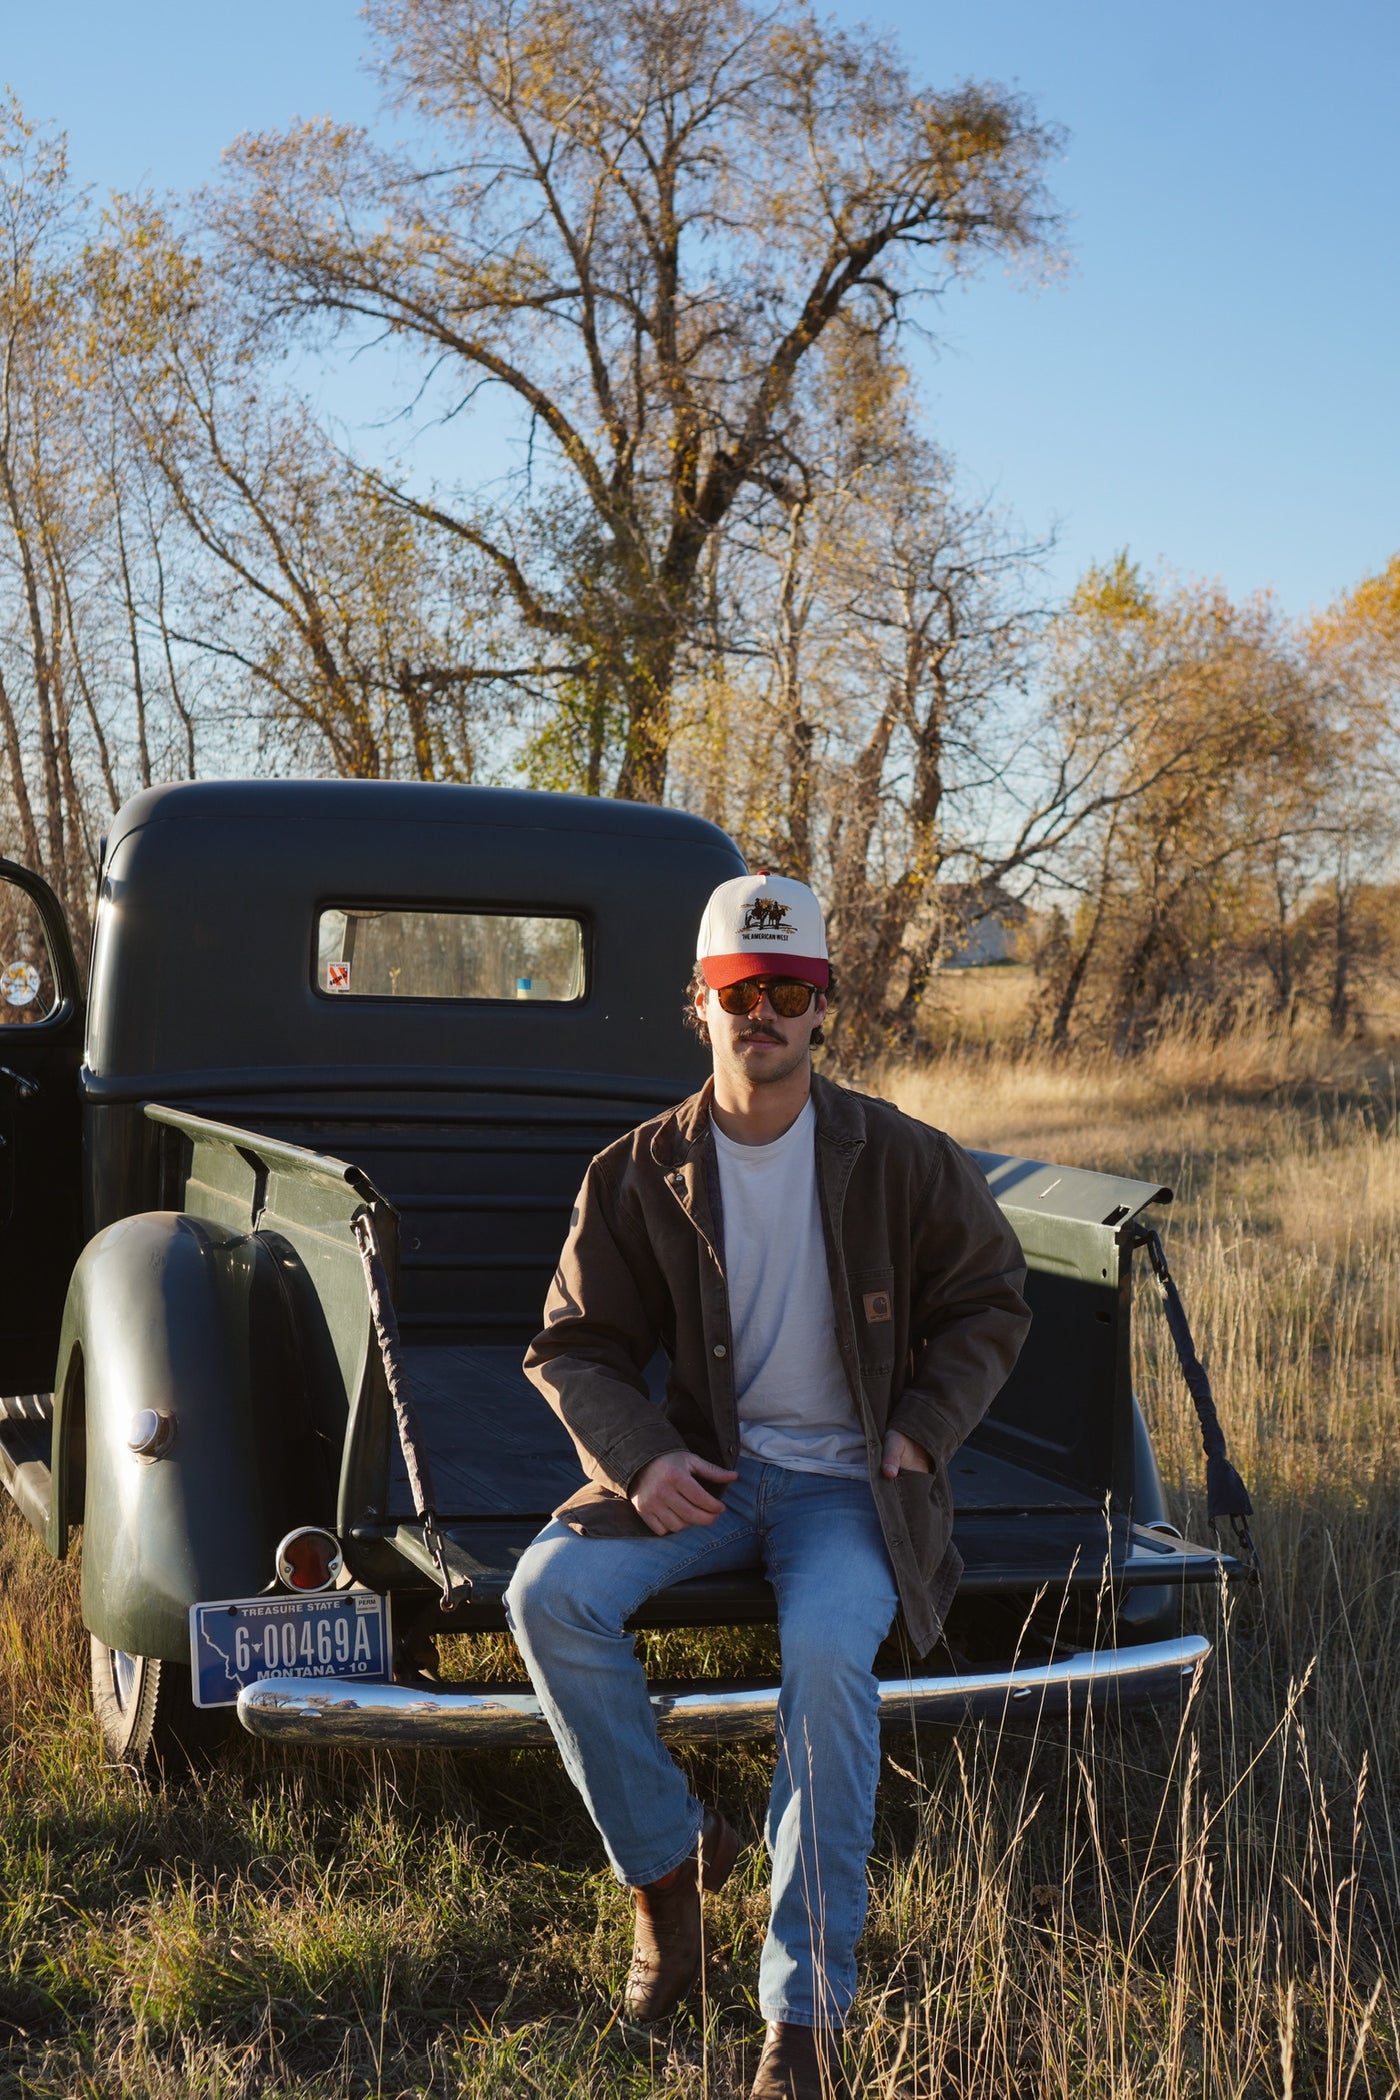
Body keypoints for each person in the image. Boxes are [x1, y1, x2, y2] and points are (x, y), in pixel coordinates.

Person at [506, 874, 1030, 2100]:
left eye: (786, 991)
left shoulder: (898, 1157)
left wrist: (918, 1428)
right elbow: (570, 1345)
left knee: (828, 1661)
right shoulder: (638, 1171)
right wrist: (642, 1456)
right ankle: (670, 1872)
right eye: (739, 992)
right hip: (712, 1475)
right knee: (547, 1597)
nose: (763, 1015)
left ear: (820, 1008)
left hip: (854, 1489)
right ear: (699, 1004)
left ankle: (800, 2019)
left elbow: (990, 1298)